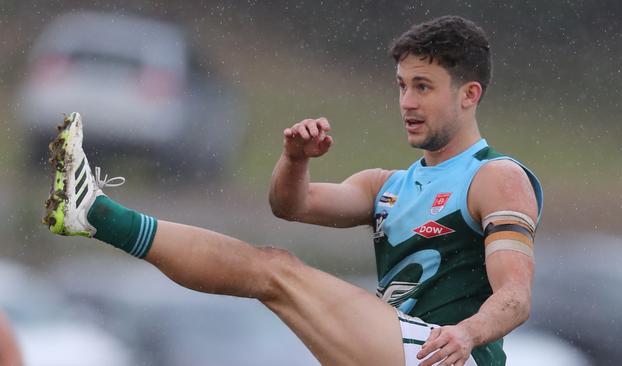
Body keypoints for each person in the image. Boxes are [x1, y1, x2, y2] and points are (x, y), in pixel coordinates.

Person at [43, 15, 541, 366]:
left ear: (469, 94)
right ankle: (93, 216)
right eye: (401, 85)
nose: (406, 101)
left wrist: (466, 334)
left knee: (276, 273)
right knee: (270, 267)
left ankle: (98, 215)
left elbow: (516, 298)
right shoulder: (385, 185)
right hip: (392, 346)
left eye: (423, 87)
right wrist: (295, 159)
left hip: (445, 356)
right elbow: (291, 205)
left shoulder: (496, 177)